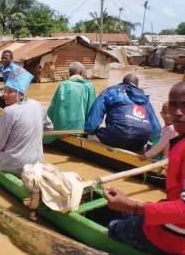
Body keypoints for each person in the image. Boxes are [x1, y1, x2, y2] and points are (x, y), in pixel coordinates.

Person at [102, 81, 185, 255]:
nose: (177, 112)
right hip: (174, 222)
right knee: (133, 216)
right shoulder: (179, 137)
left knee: (114, 227)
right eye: (173, 105)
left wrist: (132, 205)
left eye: (184, 106)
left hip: (175, 237)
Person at [0, 66, 53, 176]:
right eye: (4, 90)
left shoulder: (9, 111)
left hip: (14, 164)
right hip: (36, 161)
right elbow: (49, 127)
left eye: (10, 91)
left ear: (21, 95)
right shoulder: (38, 105)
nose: (5, 94)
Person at [85, 74, 161, 152]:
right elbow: (157, 130)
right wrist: (150, 146)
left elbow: (95, 114)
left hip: (117, 136)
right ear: (137, 86)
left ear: (123, 82)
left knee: (91, 136)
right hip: (140, 141)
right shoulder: (145, 99)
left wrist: (89, 131)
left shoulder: (112, 91)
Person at [43, 62, 96, 144]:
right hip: (81, 129)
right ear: (82, 73)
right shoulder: (89, 86)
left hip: (63, 128)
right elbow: (92, 110)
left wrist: (46, 127)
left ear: (69, 73)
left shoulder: (63, 85)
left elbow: (53, 107)